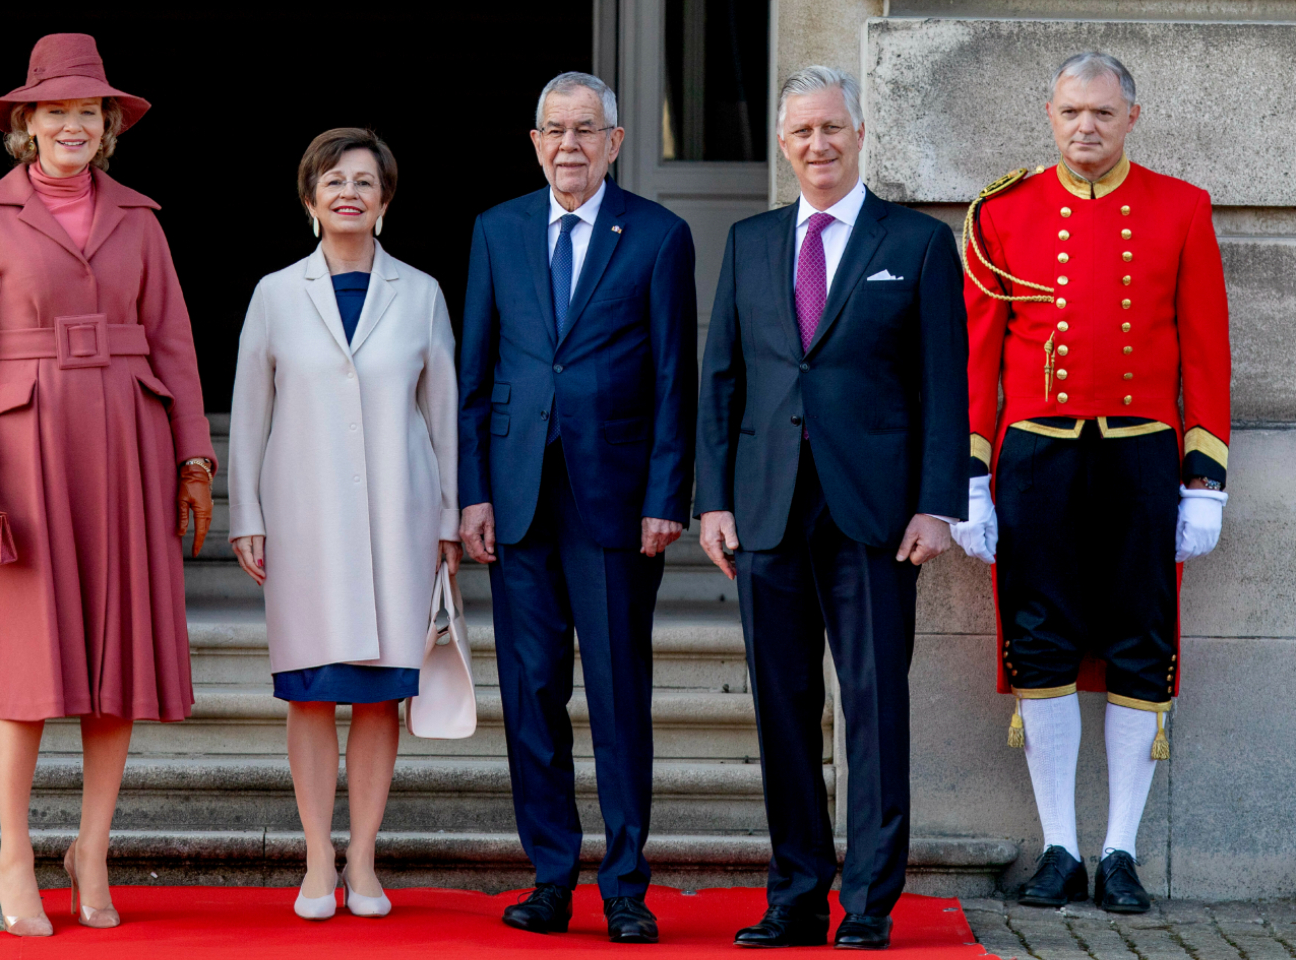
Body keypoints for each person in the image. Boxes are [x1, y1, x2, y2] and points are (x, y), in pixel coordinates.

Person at [0, 33, 215, 937]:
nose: (71, 125)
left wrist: (194, 457)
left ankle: (91, 846)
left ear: (107, 124)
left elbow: (174, 342)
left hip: (126, 444)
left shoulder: (141, 218)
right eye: (54, 110)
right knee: (25, 666)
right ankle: (13, 852)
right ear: (25, 123)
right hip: (24, 447)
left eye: (86, 111)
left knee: (116, 661)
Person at [950, 51, 1231, 914]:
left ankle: (1120, 853)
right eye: (1072, 111)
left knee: (1142, 647)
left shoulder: (1182, 207)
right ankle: (1061, 848)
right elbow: (979, 355)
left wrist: (1205, 477)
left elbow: (1206, 350)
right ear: (1049, 112)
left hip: (1142, 458)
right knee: (1041, 647)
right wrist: (968, 476)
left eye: (1103, 113)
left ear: (1131, 118)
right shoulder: (1002, 212)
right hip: (1036, 457)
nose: (1086, 128)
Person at [695, 66, 967, 950]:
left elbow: (943, 387)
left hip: (876, 515)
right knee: (781, 706)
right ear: (783, 144)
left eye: (832, 128)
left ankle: (869, 903)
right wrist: (714, 502)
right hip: (767, 507)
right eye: (802, 131)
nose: (818, 144)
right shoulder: (750, 240)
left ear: (859, 134)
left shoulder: (918, 243)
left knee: (875, 706)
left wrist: (937, 504)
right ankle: (796, 894)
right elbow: (723, 381)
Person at [458, 71, 696, 945]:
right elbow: (474, 374)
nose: (569, 144)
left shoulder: (660, 237)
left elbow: (677, 379)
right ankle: (552, 875)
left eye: (586, 130)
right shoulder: (498, 229)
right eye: (555, 129)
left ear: (616, 142)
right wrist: (472, 491)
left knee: (619, 696)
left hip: (618, 503)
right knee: (531, 693)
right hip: (518, 501)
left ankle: (627, 885)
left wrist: (668, 495)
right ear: (535, 141)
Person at [227, 128, 460, 921]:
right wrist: (246, 513)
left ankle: (363, 855)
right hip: (304, 521)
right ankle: (315, 854)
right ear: (309, 199)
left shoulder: (421, 294)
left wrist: (450, 522)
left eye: (365, 181)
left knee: (377, 694)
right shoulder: (274, 293)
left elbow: (445, 415)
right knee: (310, 690)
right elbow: (251, 412)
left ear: (386, 201)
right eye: (333, 181)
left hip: (401, 519)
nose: (349, 192)